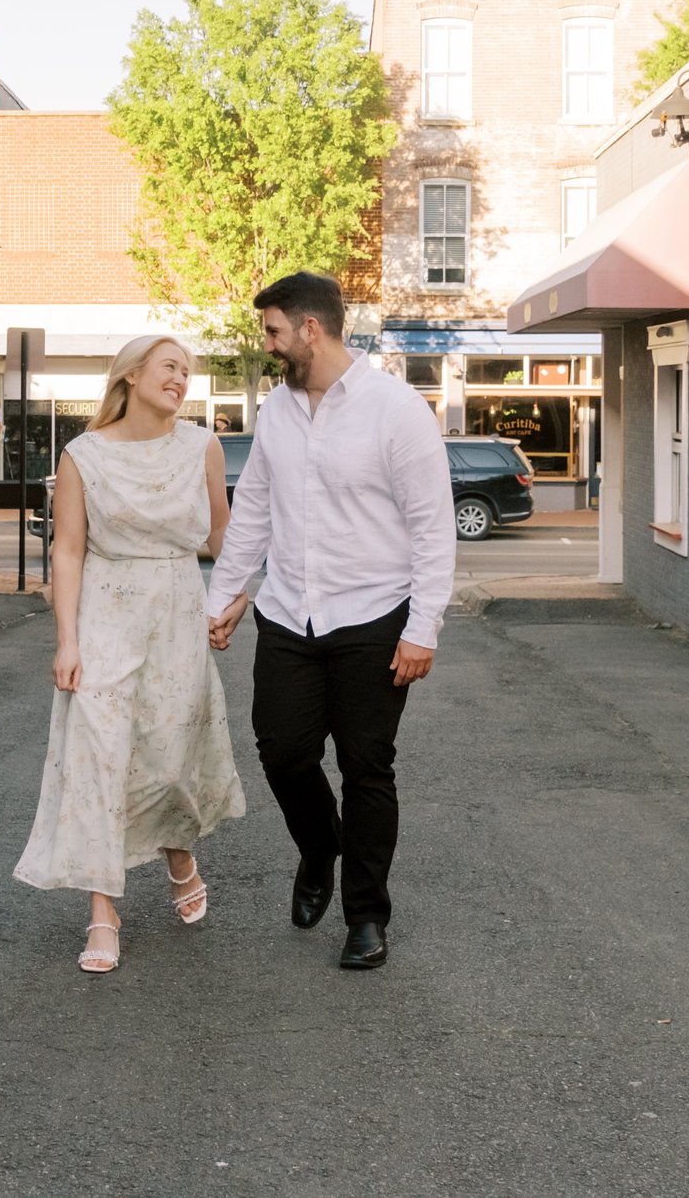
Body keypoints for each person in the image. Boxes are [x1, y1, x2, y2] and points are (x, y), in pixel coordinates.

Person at [207, 272, 454, 970]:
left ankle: (366, 917)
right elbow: (253, 506)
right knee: (282, 750)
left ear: (311, 329)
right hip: (289, 610)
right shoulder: (279, 411)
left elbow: (434, 527)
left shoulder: (396, 410)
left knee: (367, 766)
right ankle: (320, 848)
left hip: (375, 614)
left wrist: (423, 626)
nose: (268, 345)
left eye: (274, 331)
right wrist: (224, 595)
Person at [14, 336, 246, 973]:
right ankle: (102, 911)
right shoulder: (82, 455)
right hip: (105, 615)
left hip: (177, 607)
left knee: (169, 757)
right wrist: (66, 639)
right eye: (171, 367)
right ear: (133, 374)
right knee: (100, 752)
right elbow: (66, 552)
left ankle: (179, 854)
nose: (181, 379)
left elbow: (223, 534)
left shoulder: (202, 445)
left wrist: (236, 596)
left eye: (187, 372)